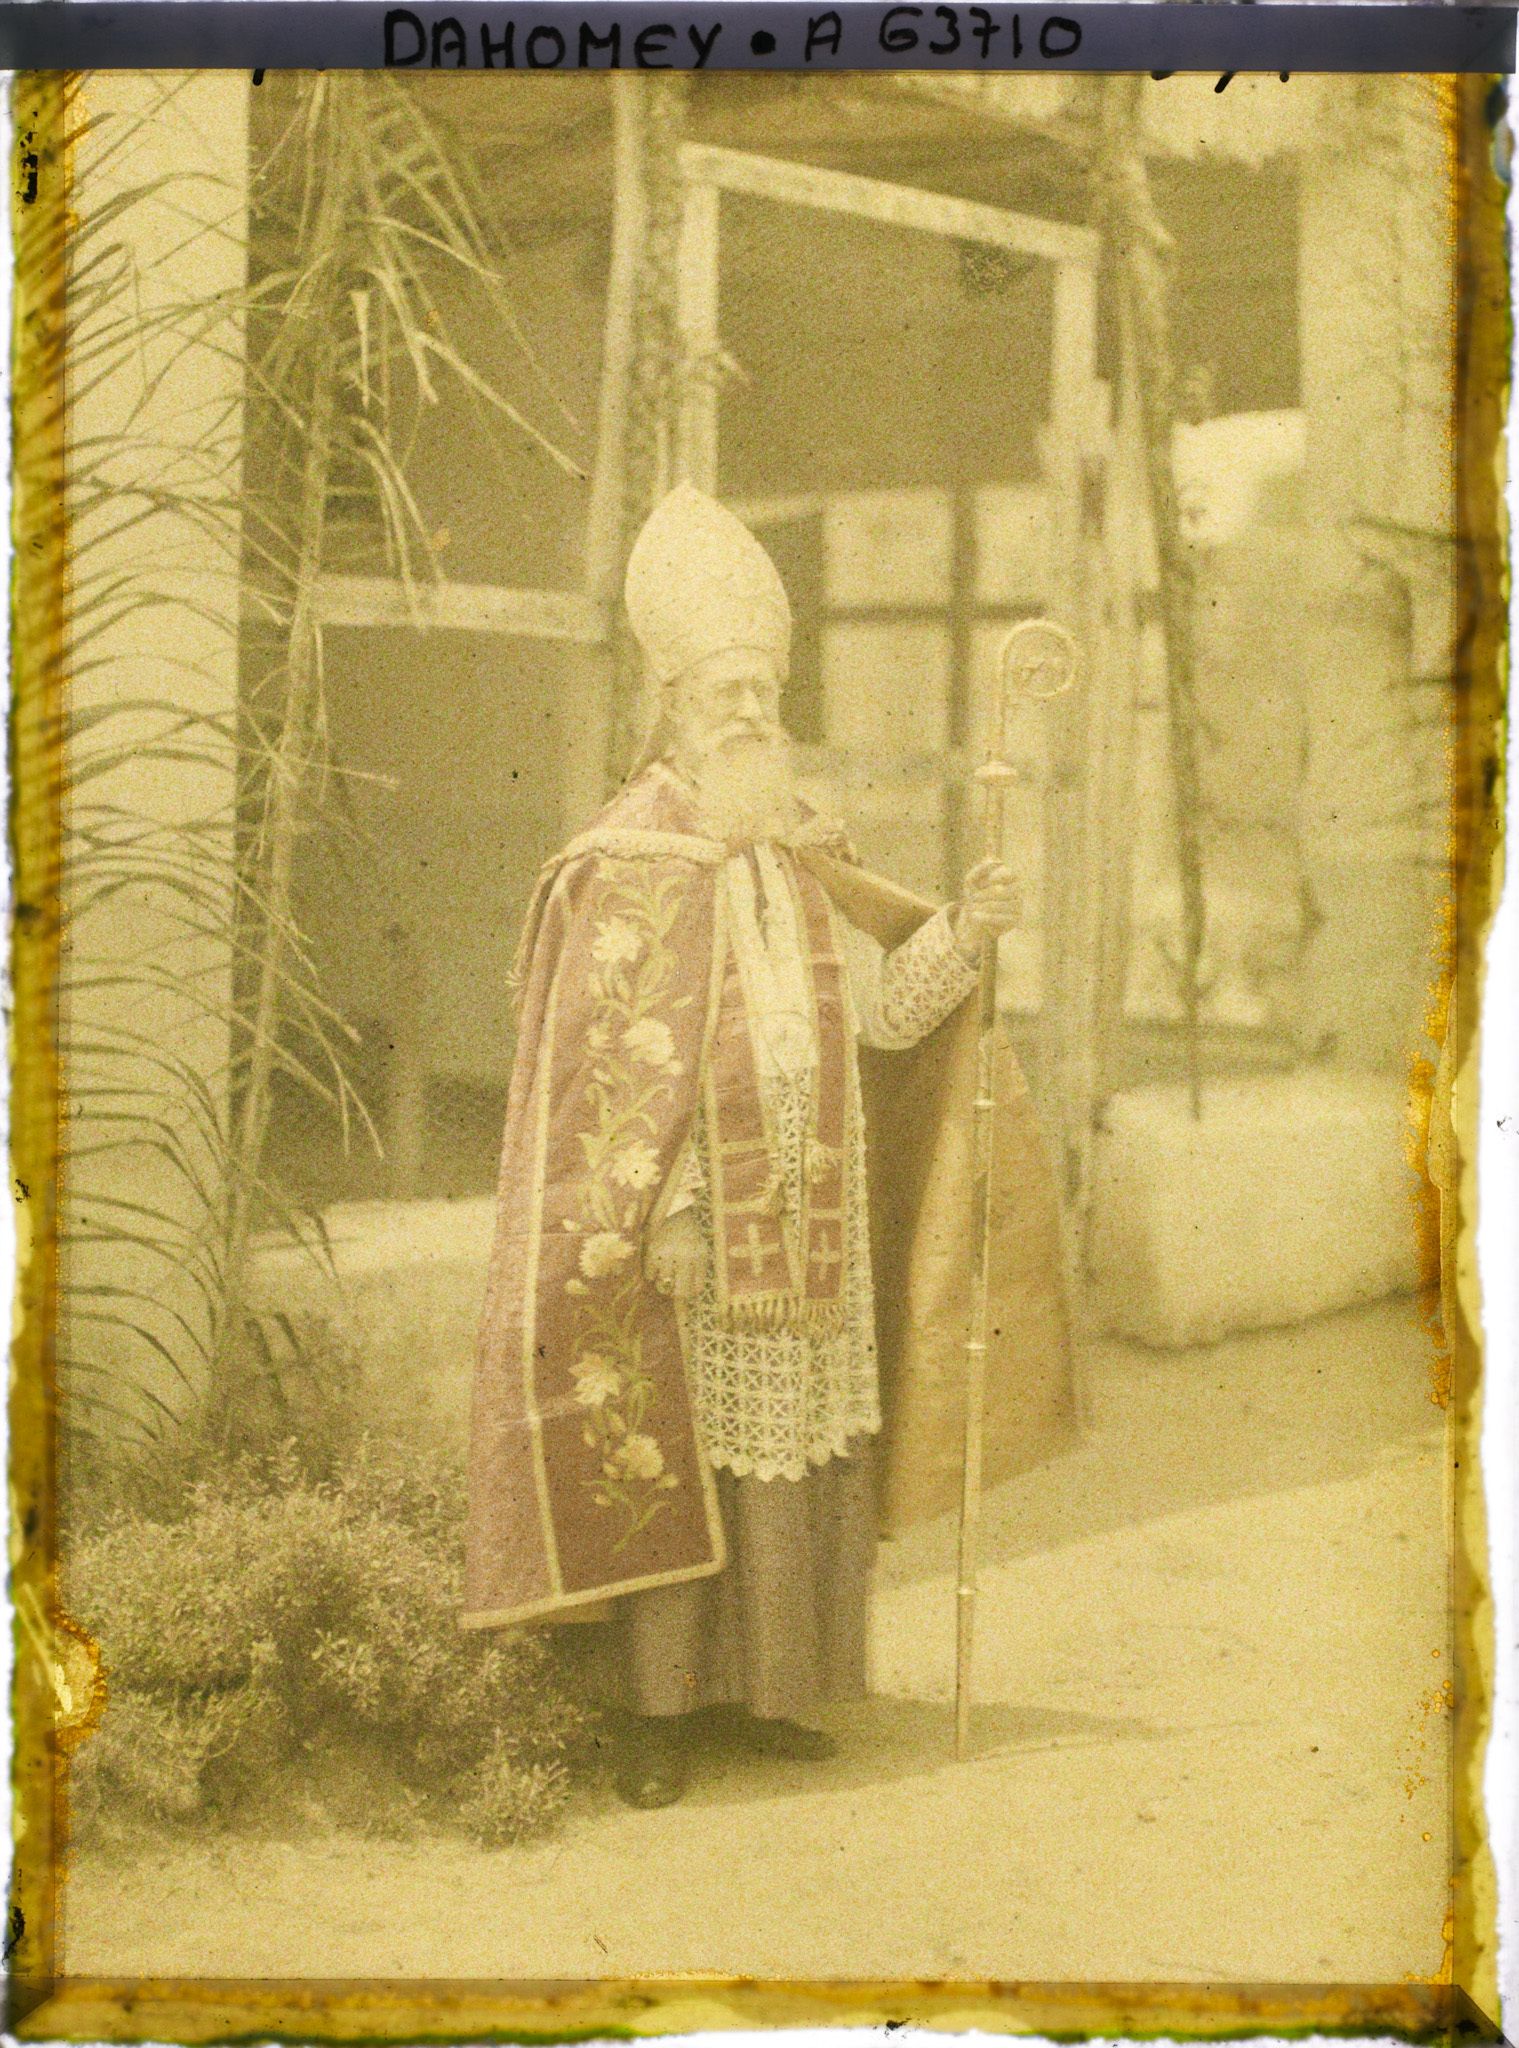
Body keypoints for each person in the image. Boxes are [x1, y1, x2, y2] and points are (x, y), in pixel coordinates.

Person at [464, 484, 1073, 1807]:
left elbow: (896, 1018)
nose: (749, 711)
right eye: (722, 690)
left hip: (810, 1214)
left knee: (787, 1467)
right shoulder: (627, 856)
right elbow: (615, 1063)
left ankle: (771, 1694)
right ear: (669, 705)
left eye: (762, 687)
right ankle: (657, 1719)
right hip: (683, 1234)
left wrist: (966, 932)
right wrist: (671, 1209)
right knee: (676, 1460)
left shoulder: (800, 847)